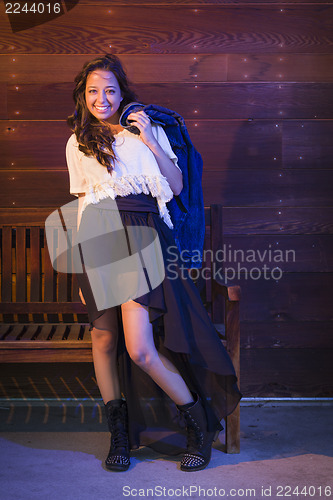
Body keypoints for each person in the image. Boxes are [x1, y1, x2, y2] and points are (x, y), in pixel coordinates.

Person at [66, 54, 241, 473]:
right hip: (98, 240)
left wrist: (147, 139)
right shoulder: (77, 142)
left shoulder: (147, 131)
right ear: (83, 95)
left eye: (109, 89)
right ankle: (120, 436)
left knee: (140, 348)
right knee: (104, 341)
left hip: (142, 236)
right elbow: (82, 203)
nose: (101, 98)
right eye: (93, 90)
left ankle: (199, 424)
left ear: (122, 92)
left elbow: (177, 185)